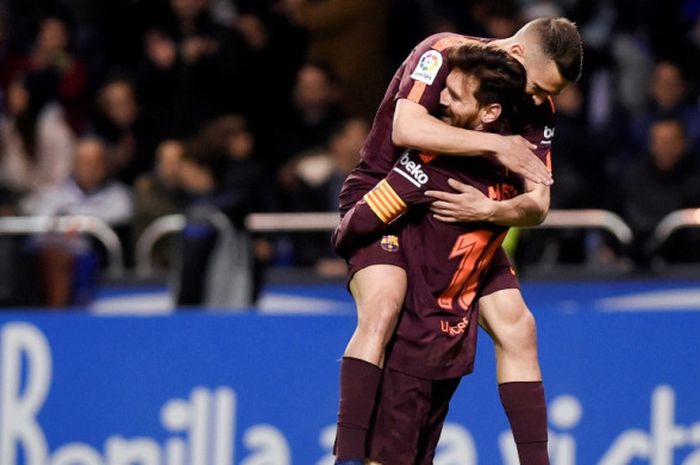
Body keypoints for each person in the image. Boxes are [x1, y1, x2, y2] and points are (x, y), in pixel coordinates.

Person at [332, 17, 583, 465]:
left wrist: (489, 211)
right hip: (391, 196)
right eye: (539, 88)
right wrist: (496, 147)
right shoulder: (445, 55)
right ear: (520, 55)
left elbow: (538, 203)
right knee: (386, 303)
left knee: (518, 326)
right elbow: (406, 129)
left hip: (464, 212)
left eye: (550, 95)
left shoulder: (535, 107)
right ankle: (347, 455)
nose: (541, 101)